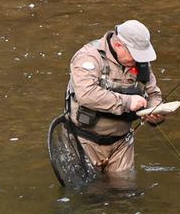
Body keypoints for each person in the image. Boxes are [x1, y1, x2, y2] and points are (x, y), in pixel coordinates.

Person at [64, 19, 164, 175]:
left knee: (124, 193)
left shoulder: (141, 63)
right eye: (136, 55)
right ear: (119, 46)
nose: (139, 60)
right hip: (84, 141)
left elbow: (154, 93)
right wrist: (127, 102)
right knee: (90, 195)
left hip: (122, 143)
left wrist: (155, 111)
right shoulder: (88, 57)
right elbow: (86, 94)